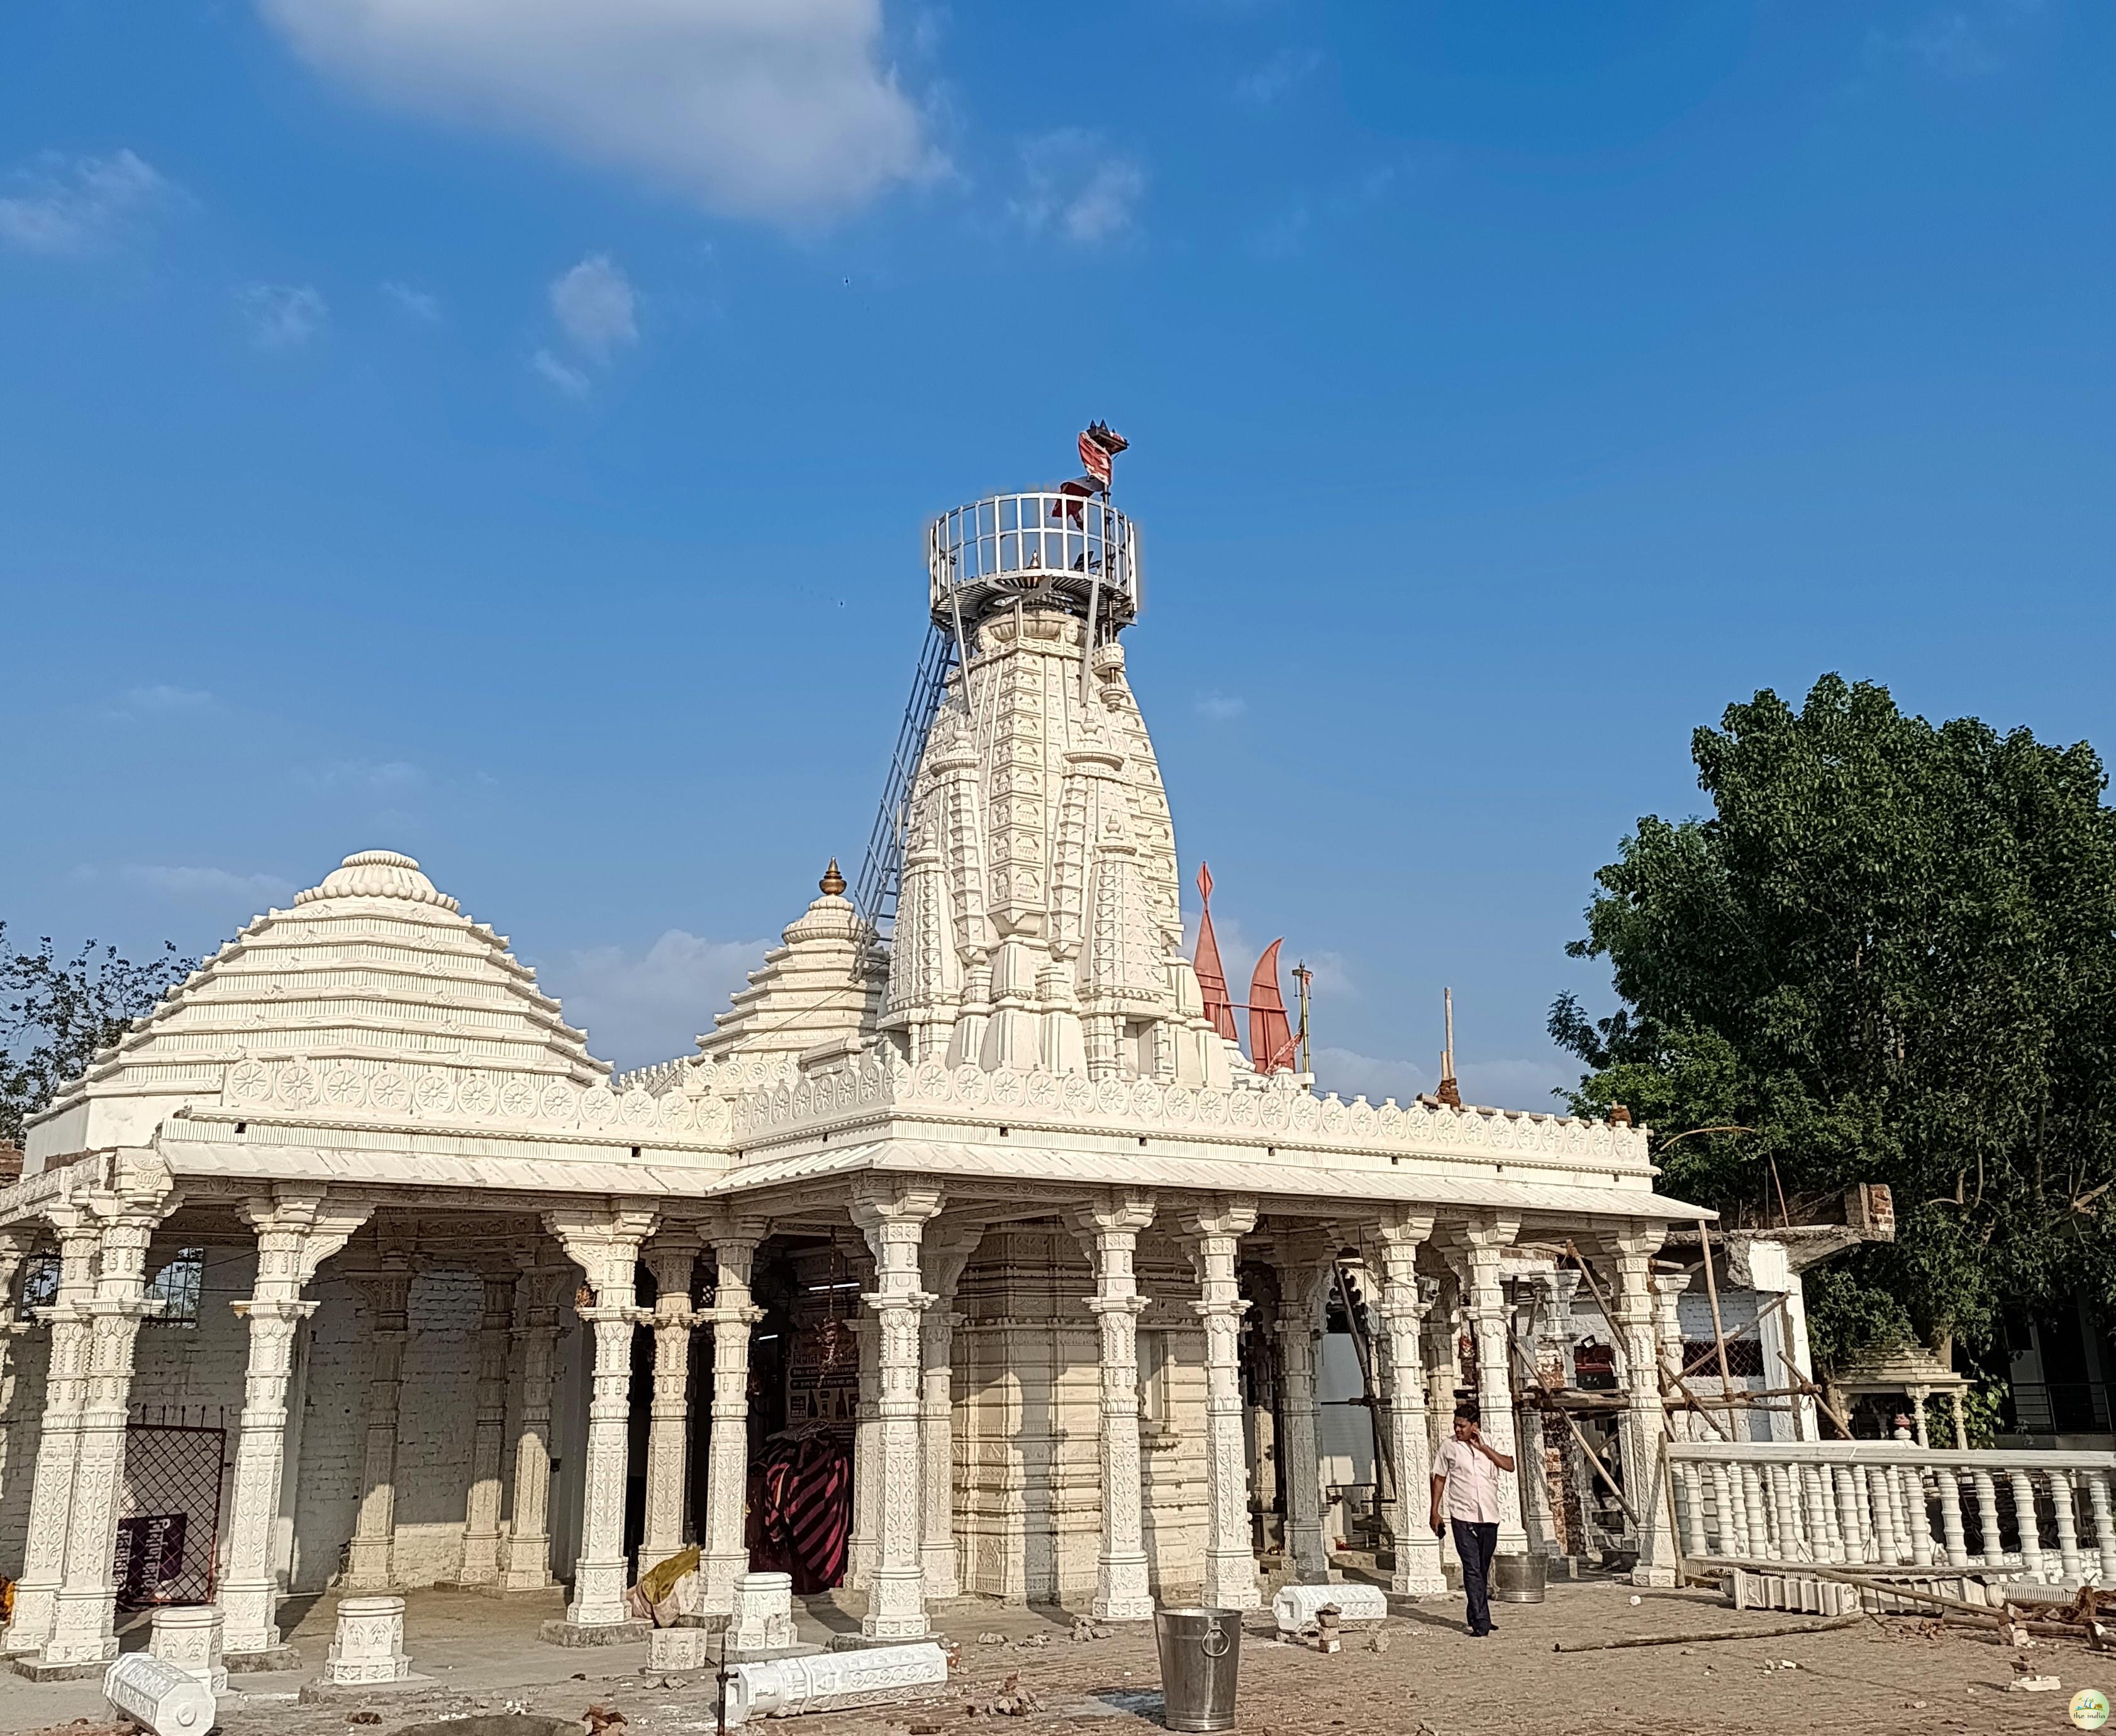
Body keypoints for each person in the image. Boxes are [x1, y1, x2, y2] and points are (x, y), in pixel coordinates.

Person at [1430, 1402, 1515, 1637]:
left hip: (1489, 1515)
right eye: (1456, 1425)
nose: (1458, 1430)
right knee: (1472, 1568)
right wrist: (1434, 1511)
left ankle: (1476, 1612)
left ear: (1474, 1426)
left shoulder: (1490, 1441)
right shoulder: (1449, 1447)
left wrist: (1485, 1449)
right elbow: (1439, 1478)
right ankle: (1481, 1621)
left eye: (1462, 1426)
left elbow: (1509, 1465)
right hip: (1462, 1515)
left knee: (1483, 1567)